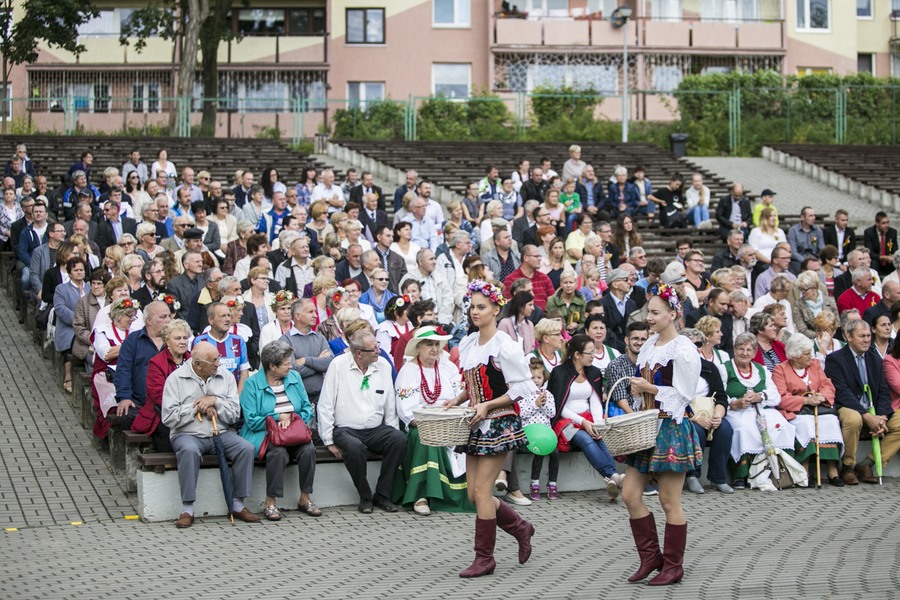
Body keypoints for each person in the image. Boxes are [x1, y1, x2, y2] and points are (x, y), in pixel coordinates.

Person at [441, 280, 538, 578]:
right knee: (473, 494)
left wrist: (487, 405)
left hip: (499, 421)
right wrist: (458, 399)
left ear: (496, 309)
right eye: (472, 307)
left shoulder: (505, 345)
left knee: (483, 491)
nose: (475, 312)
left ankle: (485, 559)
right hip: (476, 420)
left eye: (482, 307)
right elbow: (473, 386)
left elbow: (523, 387)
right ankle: (521, 527)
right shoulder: (470, 343)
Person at [620, 283, 702, 586]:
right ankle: (651, 557)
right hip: (647, 426)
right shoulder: (651, 345)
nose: (649, 317)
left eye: (655, 312)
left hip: (671, 427)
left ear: (672, 313)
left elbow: (685, 395)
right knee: (630, 495)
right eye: (648, 312)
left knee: (670, 501)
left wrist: (650, 389)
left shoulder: (683, 349)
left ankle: (674, 565)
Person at [162, 341, 259, 528]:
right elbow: (168, 418)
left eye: (218, 358)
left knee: (246, 448)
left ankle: (238, 504)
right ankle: (187, 509)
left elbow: (234, 414)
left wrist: (215, 402)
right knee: (189, 451)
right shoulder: (176, 379)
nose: (219, 364)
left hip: (220, 432)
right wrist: (196, 407)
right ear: (198, 364)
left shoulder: (226, 376)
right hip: (187, 434)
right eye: (214, 361)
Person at [318, 327, 407, 513]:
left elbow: (390, 402)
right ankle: (365, 496)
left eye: (377, 346)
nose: (378, 351)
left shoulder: (383, 365)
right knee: (354, 447)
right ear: (358, 353)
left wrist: (392, 430)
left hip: (375, 429)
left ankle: (382, 495)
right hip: (346, 428)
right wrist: (328, 440)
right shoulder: (338, 365)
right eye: (373, 349)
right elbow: (325, 404)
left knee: (399, 439)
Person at [394, 325, 471, 515]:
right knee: (425, 438)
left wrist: (452, 416)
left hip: (451, 423)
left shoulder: (448, 367)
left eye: (437, 344)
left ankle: (464, 493)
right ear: (418, 347)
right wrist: (431, 420)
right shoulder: (408, 370)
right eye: (429, 344)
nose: (435, 349)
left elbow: (460, 396)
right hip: (421, 425)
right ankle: (420, 496)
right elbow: (407, 410)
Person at [240, 341, 320, 521]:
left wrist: (292, 419)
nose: (290, 366)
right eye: (286, 364)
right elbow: (251, 420)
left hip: (294, 433)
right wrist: (277, 418)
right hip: (266, 435)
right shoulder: (252, 384)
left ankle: (305, 498)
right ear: (272, 366)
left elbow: (307, 408)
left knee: (309, 450)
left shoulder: (294, 378)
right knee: (278, 453)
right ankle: (270, 501)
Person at [548, 334, 623, 501]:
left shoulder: (594, 372)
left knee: (600, 438)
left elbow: (595, 399)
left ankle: (611, 478)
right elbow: (560, 405)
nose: (593, 356)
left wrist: (596, 423)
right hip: (566, 420)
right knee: (584, 439)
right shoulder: (559, 373)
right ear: (577, 354)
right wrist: (583, 422)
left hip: (589, 417)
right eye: (590, 353)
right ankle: (613, 475)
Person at [824, 319, 899, 485]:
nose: (867, 339)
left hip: (874, 410)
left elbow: (883, 391)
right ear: (848, 337)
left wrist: (882, 417)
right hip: (848, 406)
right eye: (862, 336)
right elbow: (842, 393)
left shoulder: (875, 359)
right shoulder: (835, 360)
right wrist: (866, 416)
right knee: (853, 419)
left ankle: (867, 464)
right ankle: (848, 467)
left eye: (868, 336)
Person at [722, 332, 795, 488]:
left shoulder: (761, 370)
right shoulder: (725, 368)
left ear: (755, 353)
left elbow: (776, 396)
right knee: (743, 428)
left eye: (749, 350)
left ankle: (778, 471)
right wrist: (736, 403)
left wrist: (760, 396)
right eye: (741, 349)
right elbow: (719, 395)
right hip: (736, 411)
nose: (745, 353)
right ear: (734, 350)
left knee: (781, 426)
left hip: (762, 409)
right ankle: (740, 475)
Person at [772, 334, 844, 487]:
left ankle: (832, 469)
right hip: (797, 410)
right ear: (795, 356)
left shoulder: (815, 364)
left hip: (819, 407)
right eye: (806, 354)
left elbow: (827, 384)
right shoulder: (781, 369)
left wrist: (821, 396)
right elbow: (781, 397)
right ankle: (804, 469)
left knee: (831, 421)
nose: (810, 356)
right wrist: (805, 400)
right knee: (805, 424)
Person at [680, 329, 734, 495]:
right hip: (685, 415)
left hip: (709, 412)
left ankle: (718, 477)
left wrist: (718, 415)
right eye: (691, 344)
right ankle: (692, 475)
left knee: (725, 429)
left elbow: (721, 397)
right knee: (696, 431)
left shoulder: (710, 368)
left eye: (698, 344)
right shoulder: (674, 370)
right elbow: (672, 401)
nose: (696, 348)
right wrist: (696, 418)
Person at [112, 301, 171, 430]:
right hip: (139, 401)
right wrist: (125, 397)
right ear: (149, 320)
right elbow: (123, 371)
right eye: (163, 317)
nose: (168, 320)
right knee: (125, 415)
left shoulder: (173, 340)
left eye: (169, 316)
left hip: (168, 401)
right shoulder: (133, 340)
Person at [283, 298, 333, 406]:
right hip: (297, 401)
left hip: (322, 399)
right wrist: (318, 363)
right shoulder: (285, 340)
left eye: (315, 311)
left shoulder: (320, 338)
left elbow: (330, 363)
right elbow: (292, 371)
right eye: (310, 312)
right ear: (297, 316)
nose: (315, 315)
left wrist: (306, 360)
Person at [192, 302, 250, 393]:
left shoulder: (238, 341)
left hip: (234, 396)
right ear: (211, 320)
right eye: (223, 316)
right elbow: (196, 374)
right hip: (208, 397)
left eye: (228, 315)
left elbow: (244, 374)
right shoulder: (200, 341)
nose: (227, 319)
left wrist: (236, 400)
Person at [53, 257, 88, 393]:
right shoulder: (61, 289)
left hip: (88, 328)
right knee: (74, 340)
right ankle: (68, 376)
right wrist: (79, 321)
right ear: (69, 272)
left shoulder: (91, 287)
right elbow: (61, 310)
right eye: (76, 270)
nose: (79, 273)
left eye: (81, 270)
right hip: (69, 329)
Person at [794, 270, 839, 340]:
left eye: (805, 289)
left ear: (814, 288)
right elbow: (802, 329)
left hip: (832, 338)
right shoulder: (798, 304)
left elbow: (837, 323)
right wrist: (820, 336)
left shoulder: (830, 301)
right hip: (810, 341)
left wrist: (829, 335)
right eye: (800, 289)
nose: (802, 292)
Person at [864, 212, 898, 277]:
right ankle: (873, 284)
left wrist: (892, 256)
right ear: (877, 223)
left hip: (889, 262)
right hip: (877, 260)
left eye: (888, 222)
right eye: (883, 223)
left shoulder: (892, 232)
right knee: (873, 263)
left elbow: (895, 250)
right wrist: (884, 257)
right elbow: (870, 252)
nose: (887, 225)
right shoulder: (869, 232)